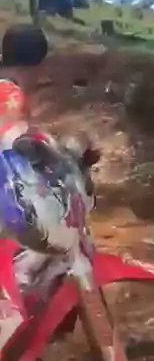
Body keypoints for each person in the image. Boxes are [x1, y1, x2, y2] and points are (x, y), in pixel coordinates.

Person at [0, 24, 99, 299]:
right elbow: (17, 142)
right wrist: (65, 154)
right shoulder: (8, 94)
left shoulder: (8, 90)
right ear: (39, 64)